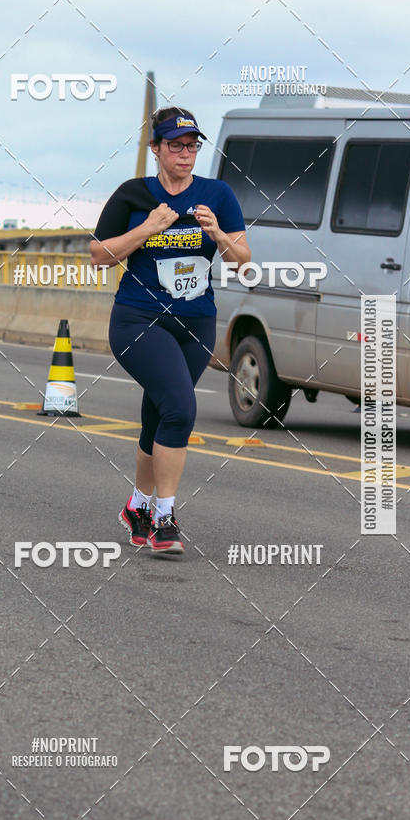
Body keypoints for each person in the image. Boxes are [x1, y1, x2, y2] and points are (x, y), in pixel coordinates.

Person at [90, 107, 250, 554]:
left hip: (196, 321)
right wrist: (148, 227)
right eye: (176, 146)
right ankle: (164, 517)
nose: (185, 154)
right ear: (156, 149)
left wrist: (219, 234)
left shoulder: (217, 194)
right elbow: (99, 256)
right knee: (180, 408)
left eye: (192, 146)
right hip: (139, 320)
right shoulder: (133, 194)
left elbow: (243, 260)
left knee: (159, 414)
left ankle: (138, 505)